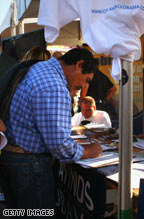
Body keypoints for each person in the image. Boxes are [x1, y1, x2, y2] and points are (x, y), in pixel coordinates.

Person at [0, 48, 102, 214]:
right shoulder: (53, 85)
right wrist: (89, 151)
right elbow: (60, 145)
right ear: (79, 65)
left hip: (13, 160)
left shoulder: (41, 69)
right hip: (30, 167)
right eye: (86, 79)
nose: (84, 86)